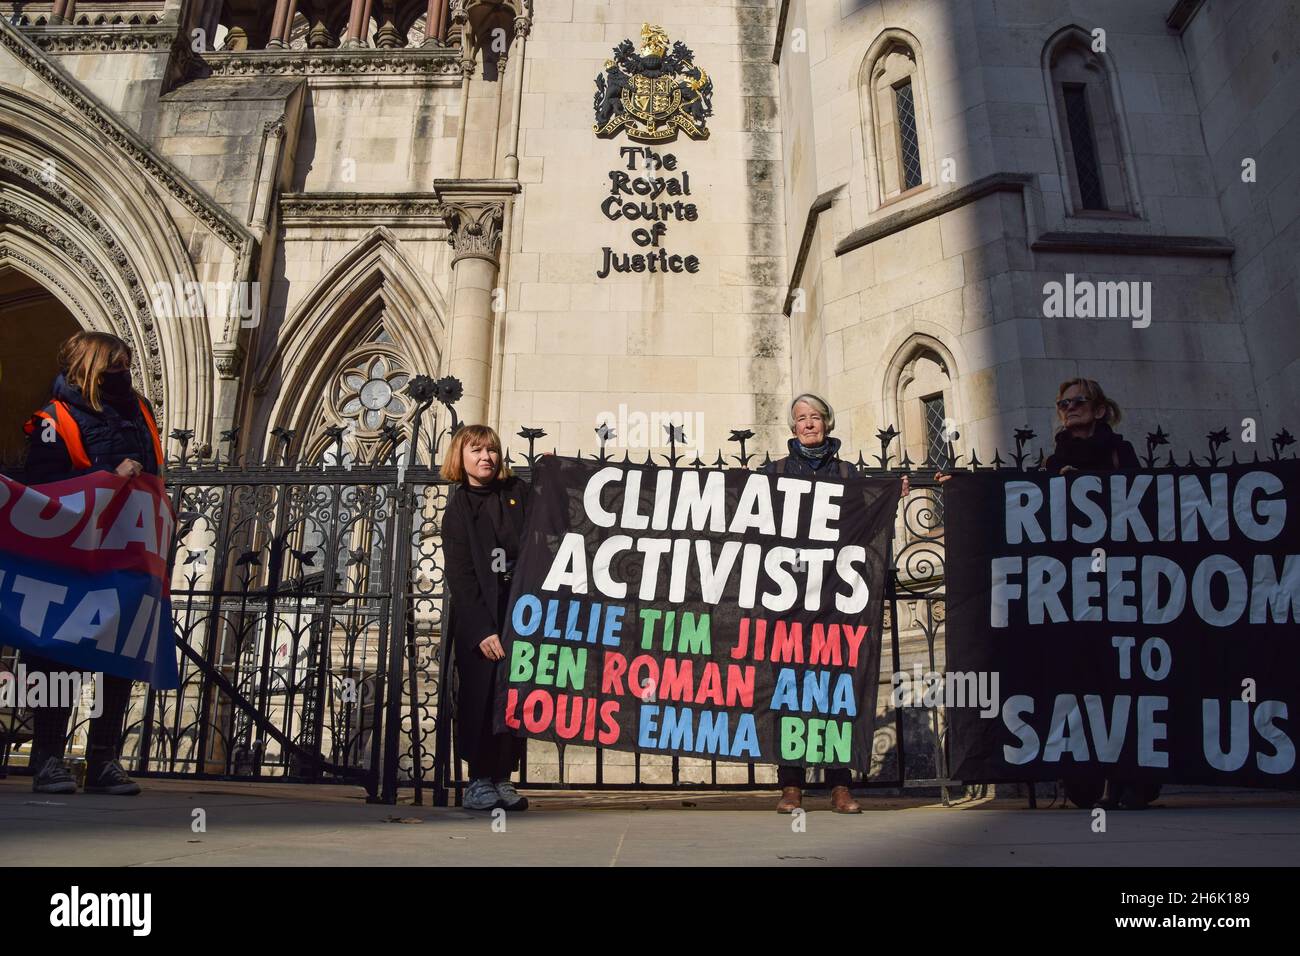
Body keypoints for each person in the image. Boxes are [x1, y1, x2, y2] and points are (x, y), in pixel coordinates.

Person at [19, 330, 165, 796]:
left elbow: (155, 472)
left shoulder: (140, 410)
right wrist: (104, 477)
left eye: (126, 363)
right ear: (90, 365)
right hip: (71, 556)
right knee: (57, 658)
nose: (123, 371)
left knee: (119, 657)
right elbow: (42, 487)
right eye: (115, 364)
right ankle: (48, 760)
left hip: (126, 551)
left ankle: (104, 760)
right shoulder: (53, 419)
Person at [760, 393, 908, 814]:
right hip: (787, 603)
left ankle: (839, 785)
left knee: (835, 692)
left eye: (815, 417)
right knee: (789, 692)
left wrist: (889, 495)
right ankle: (791, 786)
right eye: (801, 419)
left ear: (827, 423)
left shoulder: (847, 472)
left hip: (836, 603)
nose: (808, 424)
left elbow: (868, 526)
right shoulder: (771, 474)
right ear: (792, 428)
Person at [440, 424, 531, 812]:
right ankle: (478, 778)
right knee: (479, 696)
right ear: (460, 457)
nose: (486, 458)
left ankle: (502, 777)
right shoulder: (459, 508)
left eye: (492, 450)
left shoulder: (516, 495)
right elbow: (460, 576)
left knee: (514, 696)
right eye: (476, 450)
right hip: (480, 618)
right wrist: (482, 630)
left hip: (519, 612)